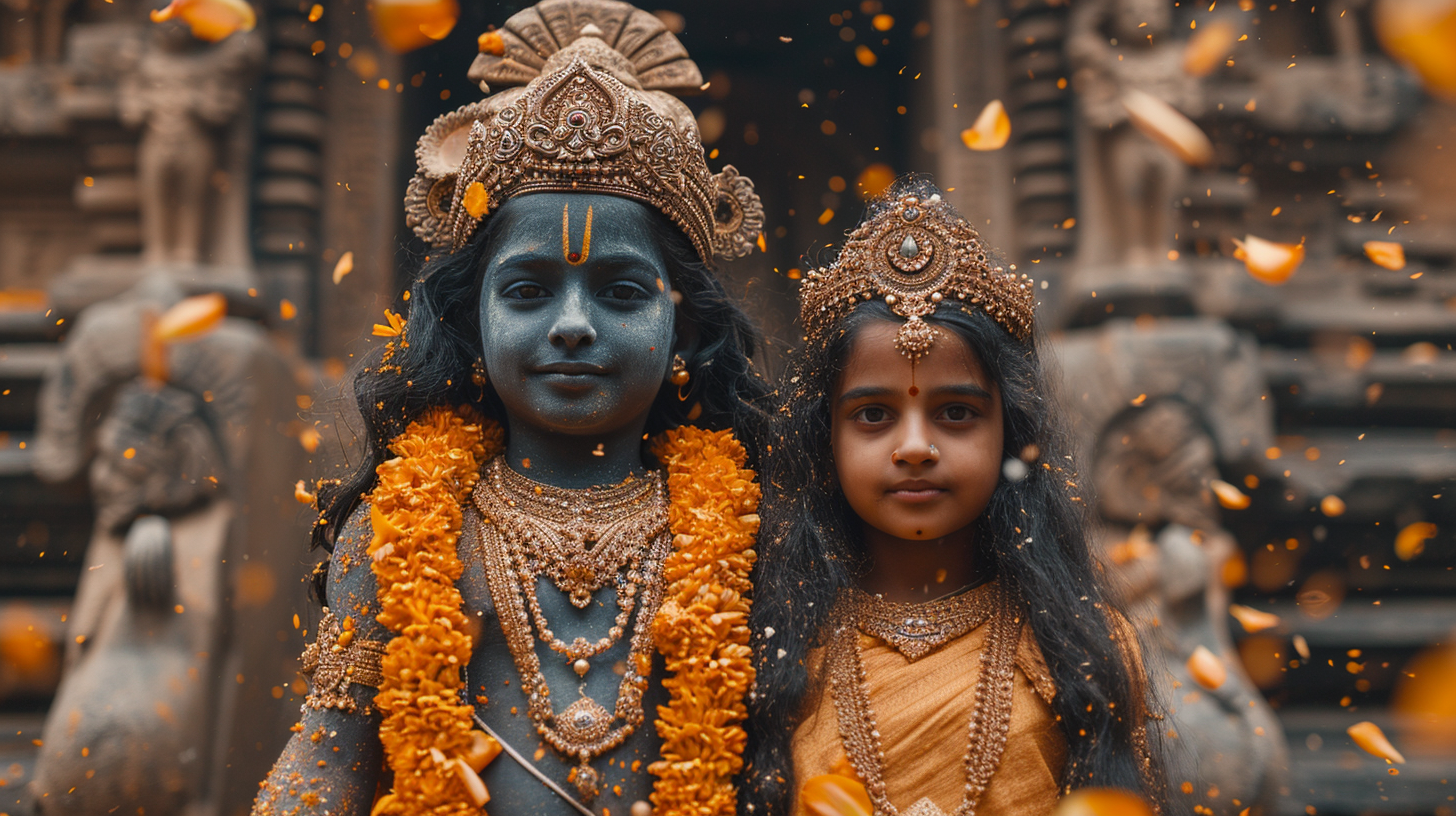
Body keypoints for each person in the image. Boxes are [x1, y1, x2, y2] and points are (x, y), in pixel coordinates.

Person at [251, 3, 769, 815]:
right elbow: (325, 760)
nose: (570, 324)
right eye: (527, 291)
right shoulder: (396, 529)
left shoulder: (757, 530)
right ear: (469, 323)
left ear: (687, 325)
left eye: (621, 291)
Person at [745, 177, 1167, 816]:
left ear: (1013, 434)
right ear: (822, 441)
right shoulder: (777, 650)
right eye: (872, 416)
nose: (915, 445)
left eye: (957, 413)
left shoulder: (1079, 652)